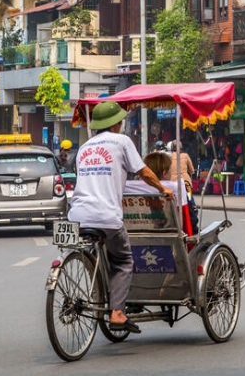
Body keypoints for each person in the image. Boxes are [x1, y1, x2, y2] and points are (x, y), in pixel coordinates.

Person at [67, 100, 168, 333]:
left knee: (94, 253)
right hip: (106, 217)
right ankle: (117, 312)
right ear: (116, 124)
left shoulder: (85, 147)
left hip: (77, 216)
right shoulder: (122, 141)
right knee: (123, 261)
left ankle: (98, 287)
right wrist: (163, 189)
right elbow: (144, 172)